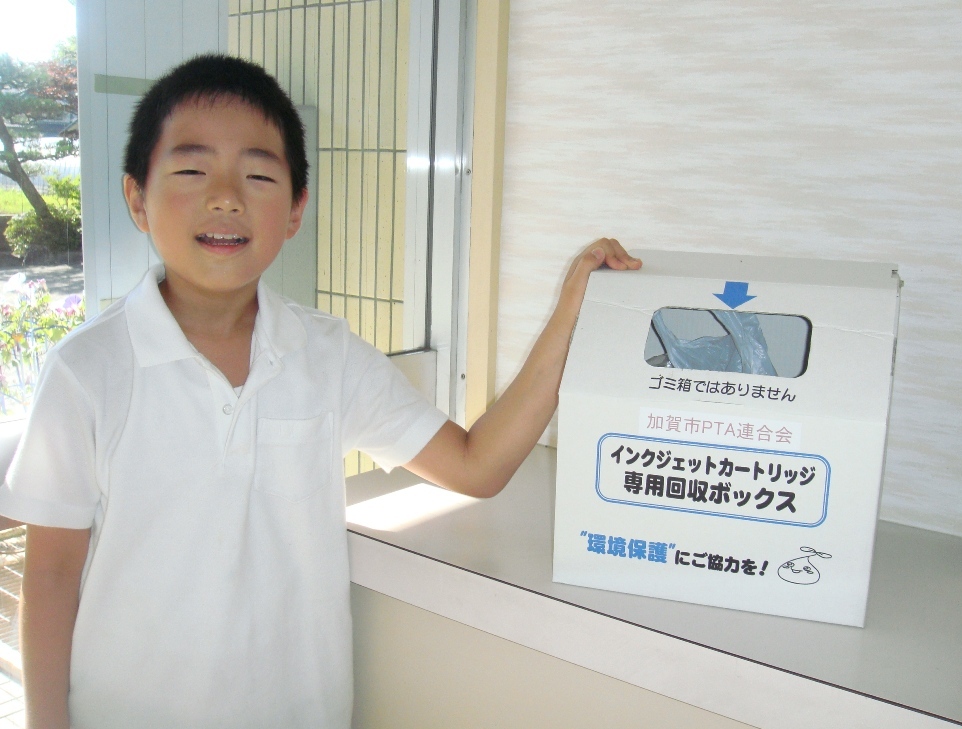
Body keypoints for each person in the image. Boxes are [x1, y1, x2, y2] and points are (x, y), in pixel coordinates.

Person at [0, 54, 640, 729]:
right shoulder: (87, 371)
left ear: (296, 209)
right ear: (138, 199)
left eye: (258, 175)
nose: (226, 196)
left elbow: (477, 465)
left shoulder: (327, 356)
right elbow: (51, 576)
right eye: (191, 171)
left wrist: (574, 310)